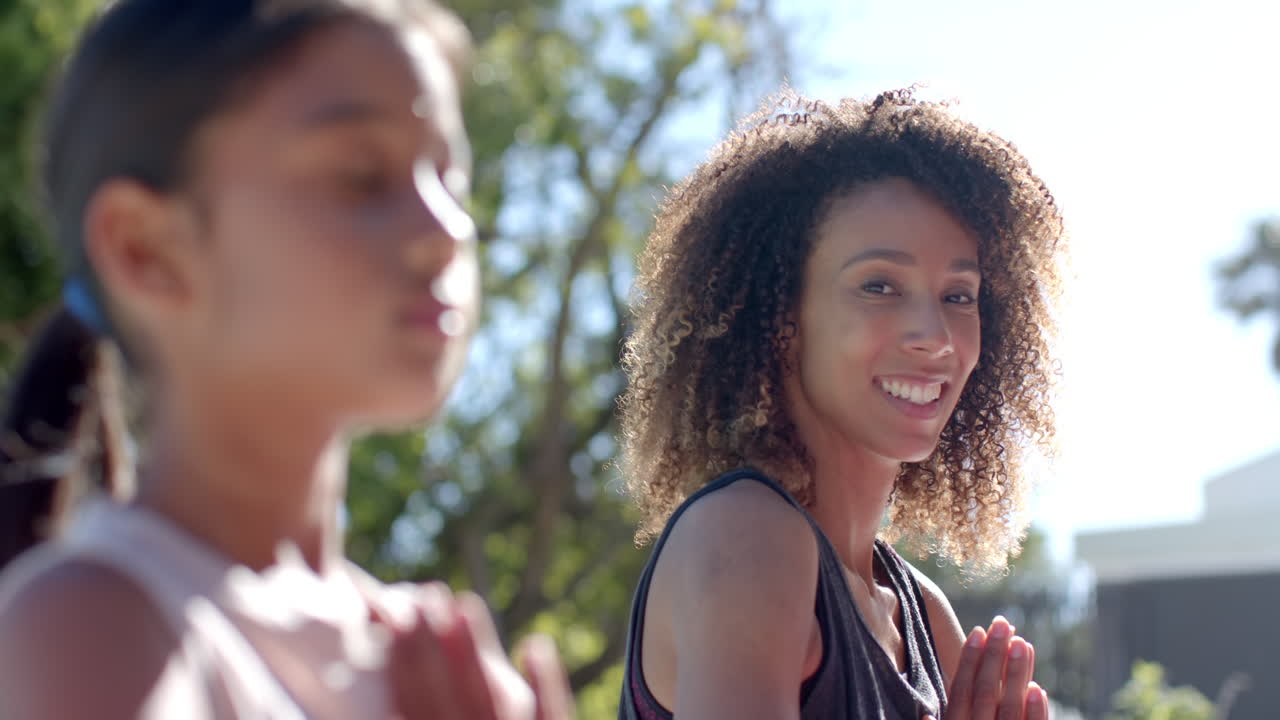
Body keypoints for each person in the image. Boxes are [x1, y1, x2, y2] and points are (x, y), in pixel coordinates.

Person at [0, 2, 573, 718]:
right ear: (145, 249)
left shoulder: (425, 658)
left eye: (450, 177)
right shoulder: (91, 622)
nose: (446, 230)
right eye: (363, 177)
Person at [615, 88, 1065, 720]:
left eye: (958, 295)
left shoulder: (926, 616)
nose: (934, 335)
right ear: (780, 317)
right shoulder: (747, 535)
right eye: (879, 285)